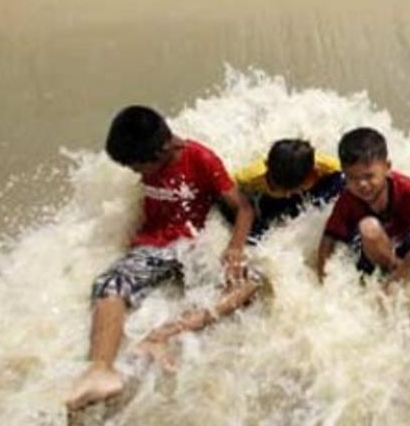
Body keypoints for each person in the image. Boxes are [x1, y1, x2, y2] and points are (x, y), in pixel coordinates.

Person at [67, 106, 255, 410]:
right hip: (155, 245)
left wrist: (235, 247)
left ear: (163, 149)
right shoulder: (151, 153)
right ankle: (100, 370)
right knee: (110, 283)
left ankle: (164, 335)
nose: (135, 172)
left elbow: (244, 208)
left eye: (138, 166)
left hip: (193, 244)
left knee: (244, 287)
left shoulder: (201, 158)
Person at [133, 138, 343, 370]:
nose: (280, 192)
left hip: (305, 198)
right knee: (246, 281)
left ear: (310, 177)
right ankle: (166, 333)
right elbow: (231, 203)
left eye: (285, 190)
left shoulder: (331, 173)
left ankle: (169, 331)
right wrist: (237, 244)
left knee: (250, 284)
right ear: (267, 168)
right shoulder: (249, 178)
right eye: (273, 184)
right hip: (263, 208)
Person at [315, 127, 410, 282]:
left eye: (369, 176)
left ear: (387, 167)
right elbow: (329, 239)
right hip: (376, 257)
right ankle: (397, 276)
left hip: (406, 247)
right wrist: (323, 278)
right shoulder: (347, 199)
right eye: (352, 178)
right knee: (368, 227)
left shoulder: (404, 187)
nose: (362, 184)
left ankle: (399, 278)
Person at [230, 138, 342, 243]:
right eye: (278, 188)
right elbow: (227, 189)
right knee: (260, 233)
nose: (288, 195)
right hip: (270, 198)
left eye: (290, 191)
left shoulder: (328, 167)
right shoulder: (252, 176)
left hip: (316, 186)